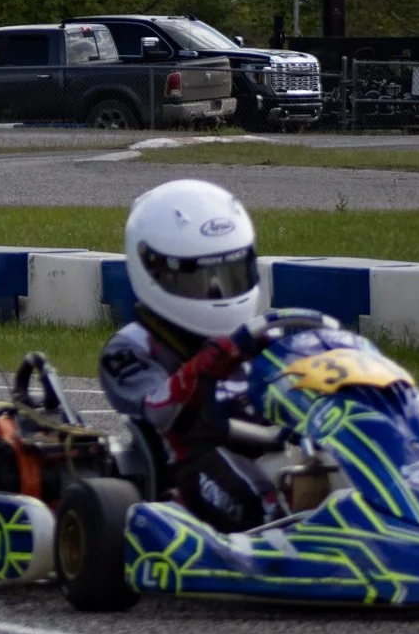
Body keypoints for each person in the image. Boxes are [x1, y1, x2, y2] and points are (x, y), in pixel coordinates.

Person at [97, 179, 286, 534]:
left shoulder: (261, 336)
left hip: (279, 446)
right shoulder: (128, 349)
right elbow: (160, 410)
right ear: (153, 271)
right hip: (195, 463)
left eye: (229, 274)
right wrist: (215, 359)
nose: (218, 292)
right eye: (199, 279)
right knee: (263, 506)